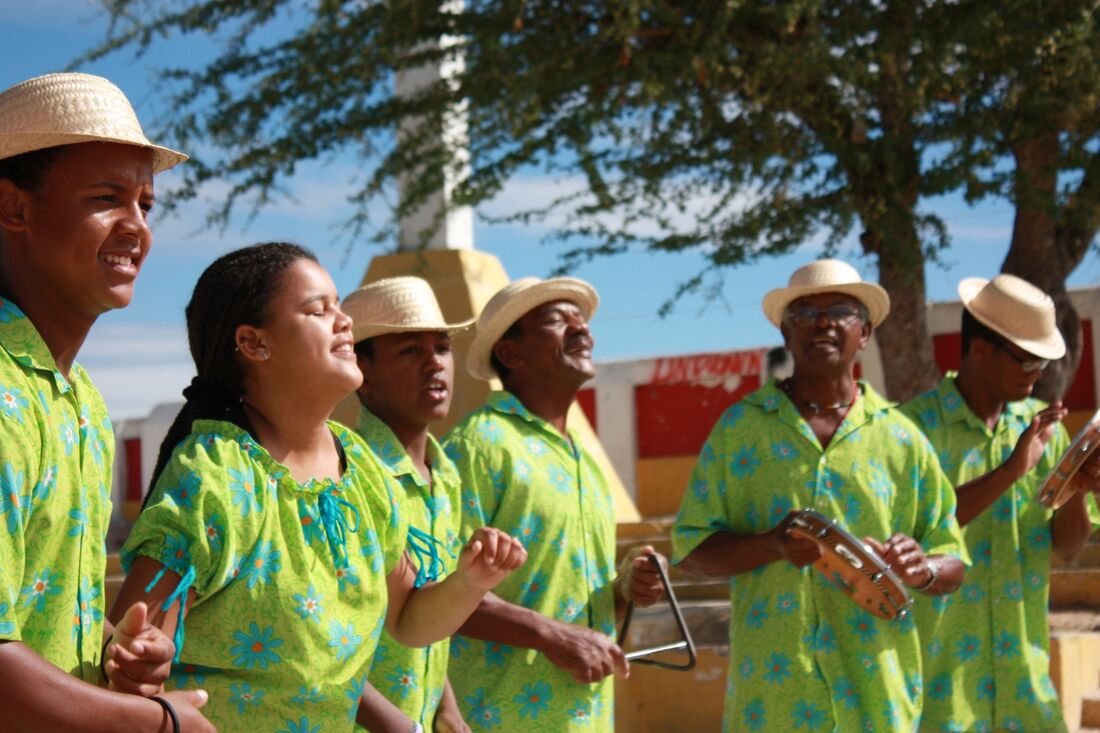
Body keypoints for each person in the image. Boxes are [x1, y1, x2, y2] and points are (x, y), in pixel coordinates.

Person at [110, 243, 526, 732]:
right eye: (317, 309)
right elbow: (129, 642)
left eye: (339, 306)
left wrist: (470, 582)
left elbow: (410, 620)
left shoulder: (362, 472)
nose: (344, 321)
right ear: (253, 343)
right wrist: (140, 657)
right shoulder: (214, 478)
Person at [0, 72, 216, 730]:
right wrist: (159, 721)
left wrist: (114, 656)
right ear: (14, 208)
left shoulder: (83, 400)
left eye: (146, 204)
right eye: (107, 197)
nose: (137, 227)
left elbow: (37, 609)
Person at [672, 259, 970, 733]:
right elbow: (689, 550)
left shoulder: (901, 437)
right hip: (773, 697)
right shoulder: (741, 430)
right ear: (787, 336)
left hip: (876, 691)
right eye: (805, 314)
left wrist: (923, 566)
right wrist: (770, 545)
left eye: (839, 311)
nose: (823, 322)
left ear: (866, 332)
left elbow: (952, 559)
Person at [444, 276, 665, 731]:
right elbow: (438, 590)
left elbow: (581, 604)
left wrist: (627, 589)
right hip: (499, 717)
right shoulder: (478, 445)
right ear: (511, 354)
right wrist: (551, 635)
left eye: (581, 320)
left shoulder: (582, 455)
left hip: (585, 718)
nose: (581, 330)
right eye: (556, 321)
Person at [901, 274, 1100, 733]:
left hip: (1024, 683)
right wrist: (1010, 472)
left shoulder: (1045, 432)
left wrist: (1079, 488)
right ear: (981, 349)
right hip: (939, 691)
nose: (1038, 373)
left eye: (1042, 362)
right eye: (1027, 360)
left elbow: (1067, 548)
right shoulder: (911, 432)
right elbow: (915, 534)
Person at [343, 276, 474, 732]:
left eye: (442, 347)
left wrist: (446, 705)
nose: (434, 364)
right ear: (363, 372)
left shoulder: (447, 476)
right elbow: (321, 635)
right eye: (409, 351)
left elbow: (431, 608)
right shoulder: (350, 475)